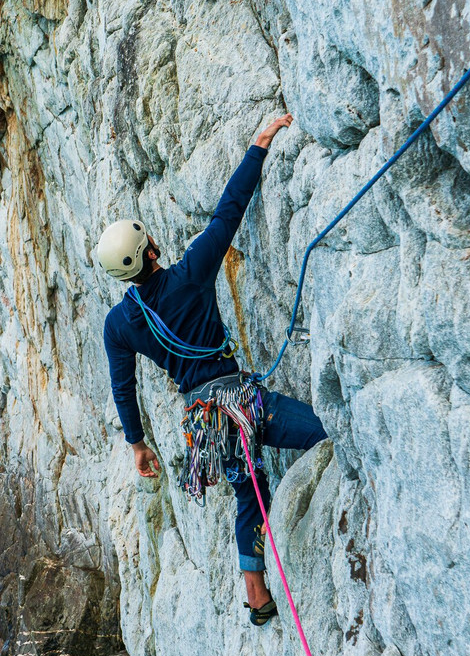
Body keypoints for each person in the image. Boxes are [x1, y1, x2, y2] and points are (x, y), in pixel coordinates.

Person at [97, 114, 328, 626]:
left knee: (249, 488)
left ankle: (255, 589)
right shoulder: (191, 274)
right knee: (324, 429)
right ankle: (257, 583)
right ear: (149, 249)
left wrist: (137, 443)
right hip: (243, 405)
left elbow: (123, 384)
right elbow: (229, 213)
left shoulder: (120, 324)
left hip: (204, 424)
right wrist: (258, 143)